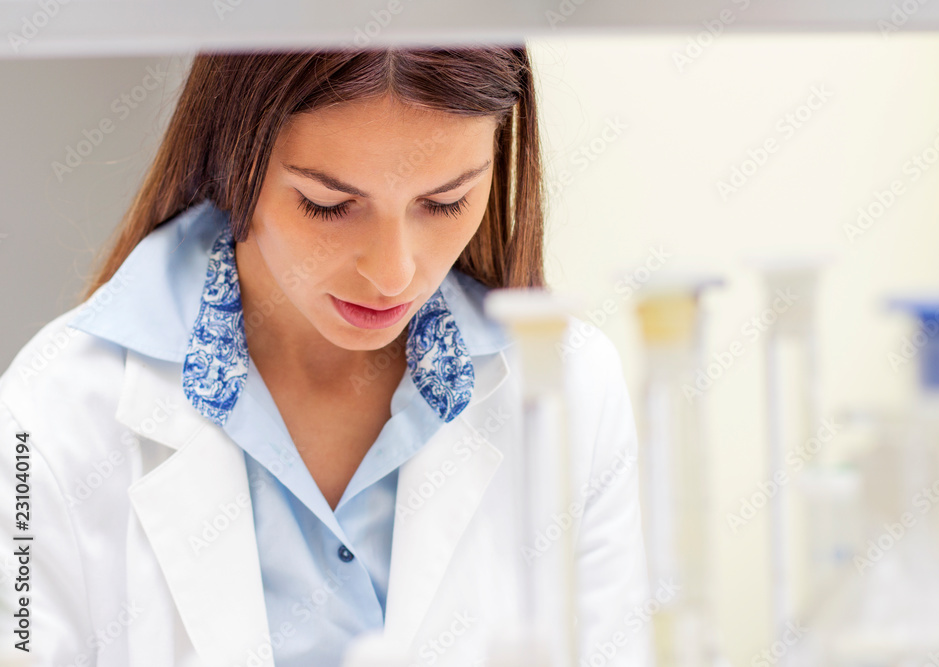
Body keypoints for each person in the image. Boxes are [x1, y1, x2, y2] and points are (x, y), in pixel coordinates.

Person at [0, 46, 653, 666]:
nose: (394, 273)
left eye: (445, 201)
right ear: (234, 153)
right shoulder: (50, 415)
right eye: (329, 205)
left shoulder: (572, 391)